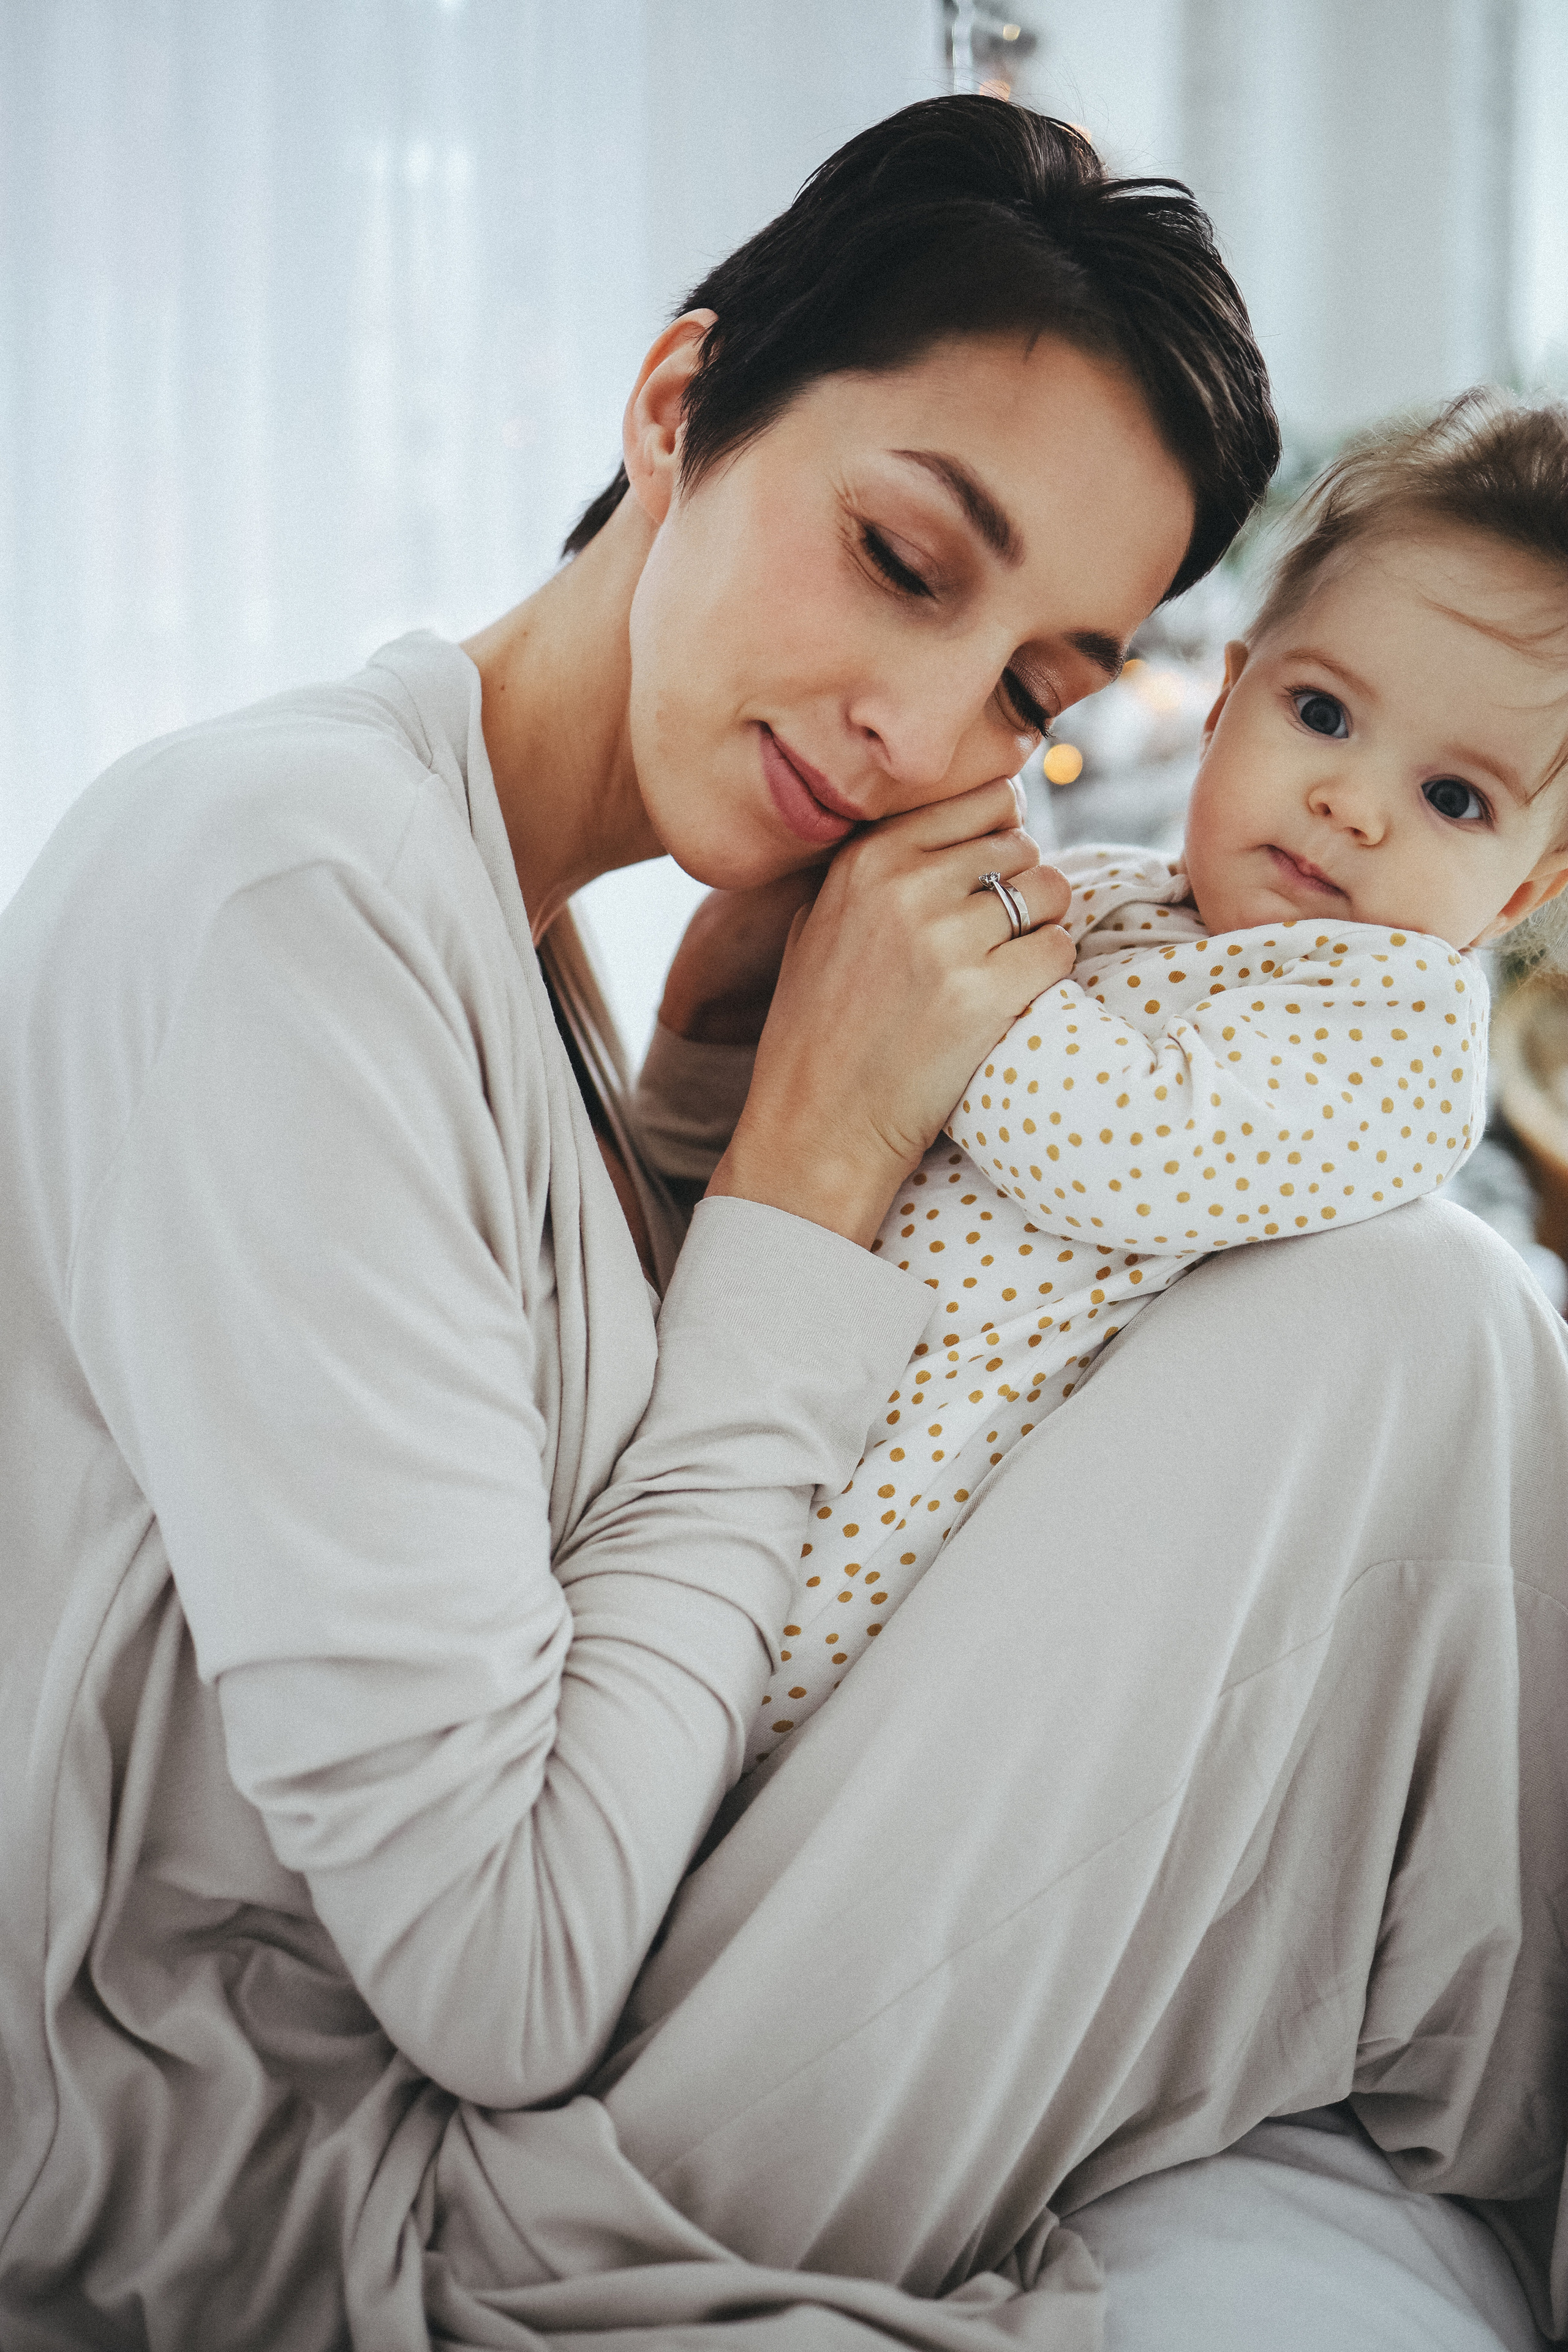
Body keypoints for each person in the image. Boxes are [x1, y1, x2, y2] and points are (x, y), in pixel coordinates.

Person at [0, 99, 1561, 2352]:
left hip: (546, 1991)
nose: (924, 718)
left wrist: (693, 1136)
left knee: (1436, 1327)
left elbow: (526, 1486)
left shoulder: (498, 905)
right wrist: (805, 1186)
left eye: (1037, 691)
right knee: (1429, 1336)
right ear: (675, 407)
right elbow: (505, 1971)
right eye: (909, 563)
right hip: (341, 2176)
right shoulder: (288, 899)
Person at [747, 388, 1568, 1768]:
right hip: (827, 1377)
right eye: (1318, 711)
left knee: (734, 1712)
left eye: (1451, 799)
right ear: (1224, 697)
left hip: (941, 1511)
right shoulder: (1130, 896)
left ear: (1522, 888)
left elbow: (1131, 1147)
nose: (1352, 802)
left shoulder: (1394, 1034)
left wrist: (929, 992)